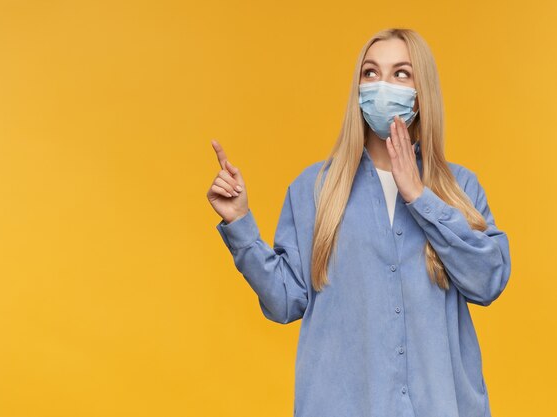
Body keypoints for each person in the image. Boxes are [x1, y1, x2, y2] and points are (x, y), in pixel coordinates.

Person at [206, 27, 511, 417]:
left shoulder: (460, 187)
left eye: (401, 73)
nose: (383, 85)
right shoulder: (315, 189)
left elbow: (488, 281)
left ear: (422, 93)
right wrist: (240, 225)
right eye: (371, 73)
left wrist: (420, 197)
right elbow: (285, 301)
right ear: (358, 88)